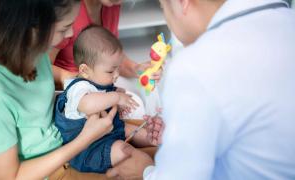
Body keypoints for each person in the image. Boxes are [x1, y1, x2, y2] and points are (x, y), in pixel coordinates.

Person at [106, 0, 295, 179]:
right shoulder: (286, 21)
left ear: (182, 3)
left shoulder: (196, 65)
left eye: (164, 9)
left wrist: (146, 171)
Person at [0, 0, 155, 179]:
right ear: (31, 27)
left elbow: (41, 72)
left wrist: (67, 77)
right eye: (64, 28)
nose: (70, 33)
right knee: (148, 167)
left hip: (68, 142)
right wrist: (85, 139)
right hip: (54, 166)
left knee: (164, 150)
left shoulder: (21, 47)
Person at [54, 25, 158, 173]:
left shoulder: (99, 80)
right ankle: (142, 166)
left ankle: (153, 139)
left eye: (117, 68)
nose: (116, 75)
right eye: (111, 70)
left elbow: (105, 97)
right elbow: (88, 104)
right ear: (85, 70)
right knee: (123, 150)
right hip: (90, 148)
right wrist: (115, 97)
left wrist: (119, 97)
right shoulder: (79, 87)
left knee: (134, 130)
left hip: (109, 132)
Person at [49, 0, 162, 89]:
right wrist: (71, 79)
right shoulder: (68, 11)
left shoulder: (112, 5)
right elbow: (41, 69)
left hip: (99, 86)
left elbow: (109, 57)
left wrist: (136, 69)